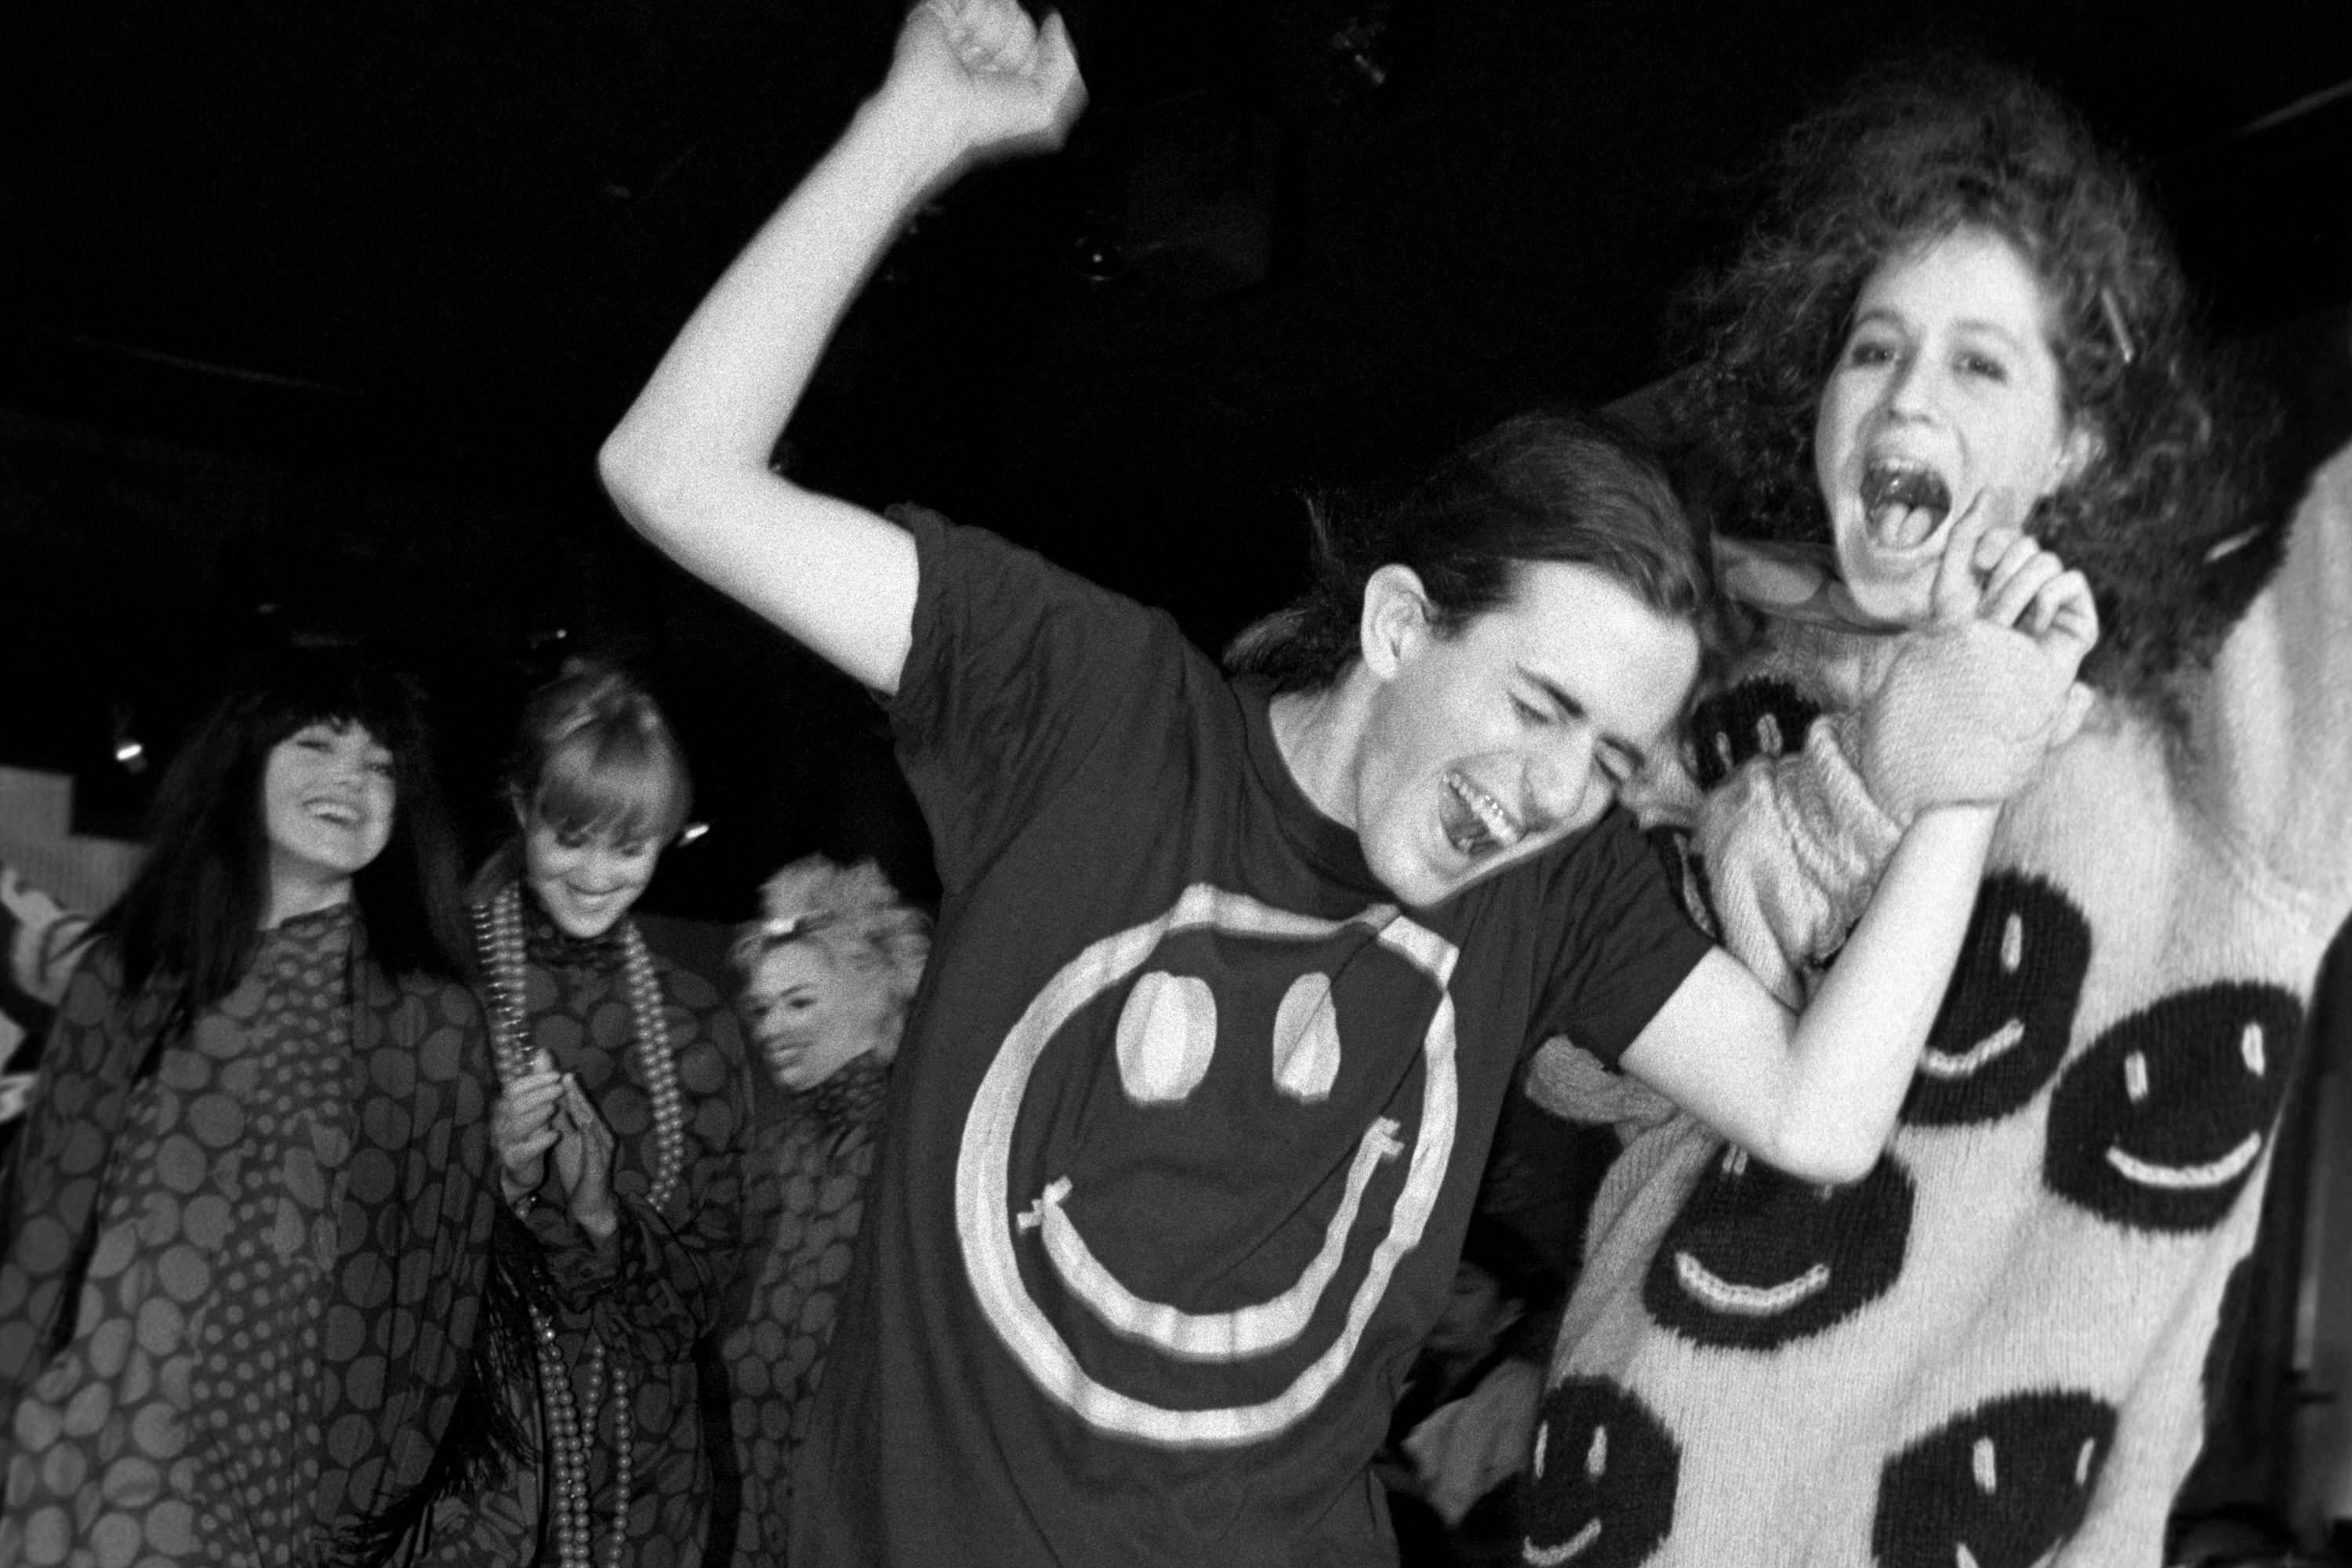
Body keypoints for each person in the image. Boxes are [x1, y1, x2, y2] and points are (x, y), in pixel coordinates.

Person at [594, 3, 2092, 1560]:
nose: (1554, 788)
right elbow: (673, 472)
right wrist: (912, 132)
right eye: (1537, 706)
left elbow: (1818, 1110)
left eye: (1606, 755)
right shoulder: (1088, 705)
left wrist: (1973, 766)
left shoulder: (1555, 882)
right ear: (1397, 624)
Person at [1515, 60, 2352, 1567]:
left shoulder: (2213, 758)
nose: (1906, 393)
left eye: (1980, 367)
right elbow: (1573, 1057)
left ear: (2076, 445)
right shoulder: (1704, 701)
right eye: (1873, 350)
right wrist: (1887, 769)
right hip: (1651, 1507)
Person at [0, 645, 505, 1566]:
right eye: (317, 743)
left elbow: (437, 1286)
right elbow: (43, 1232)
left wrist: (365, 1506)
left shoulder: (429, 1021)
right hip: (76, 1462)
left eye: (383, 765)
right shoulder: (129, 979)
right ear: (243, 761)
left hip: (284, 1485)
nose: (352, 779)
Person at [428, 659, 753, 1568]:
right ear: (523, 810)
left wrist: (604, 1213)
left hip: (644, 1479)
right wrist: (495, 1177)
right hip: (468, 1460)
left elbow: (701, 1298)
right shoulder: (441, 988)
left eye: (632, 846)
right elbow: (373, 1250)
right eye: (573, 834)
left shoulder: (697, 1023)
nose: (598, 874)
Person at [710, 855, 930, 1566]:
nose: (772, 1027)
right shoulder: (769, 1158)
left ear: (877, 995)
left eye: (799, 1003)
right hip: (754, 1509)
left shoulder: (921, 1155)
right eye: (764, 1009)